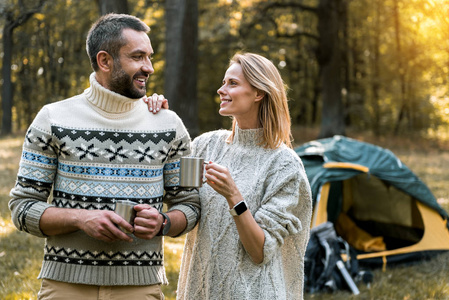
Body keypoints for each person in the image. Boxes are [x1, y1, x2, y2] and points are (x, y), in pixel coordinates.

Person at [8, 13, 200, 299]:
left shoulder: (170, 125)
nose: (148, 68)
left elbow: (192, 205)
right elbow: (21, 208)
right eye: (137, 57)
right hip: (65, 285)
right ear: (105, 61)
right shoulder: (52, 119)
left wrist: (164, 223)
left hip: (141, 287)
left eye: (149, 57)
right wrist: (80, 219)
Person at [148, 53, 313, 299]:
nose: (221, 89)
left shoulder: (284, 165)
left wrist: (233, 196)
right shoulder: (205, 146)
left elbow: (260, 252)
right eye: (224, 82)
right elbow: (176, 196)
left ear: (258, 93)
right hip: (200, 291)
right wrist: (159, 122)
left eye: (232, 84)